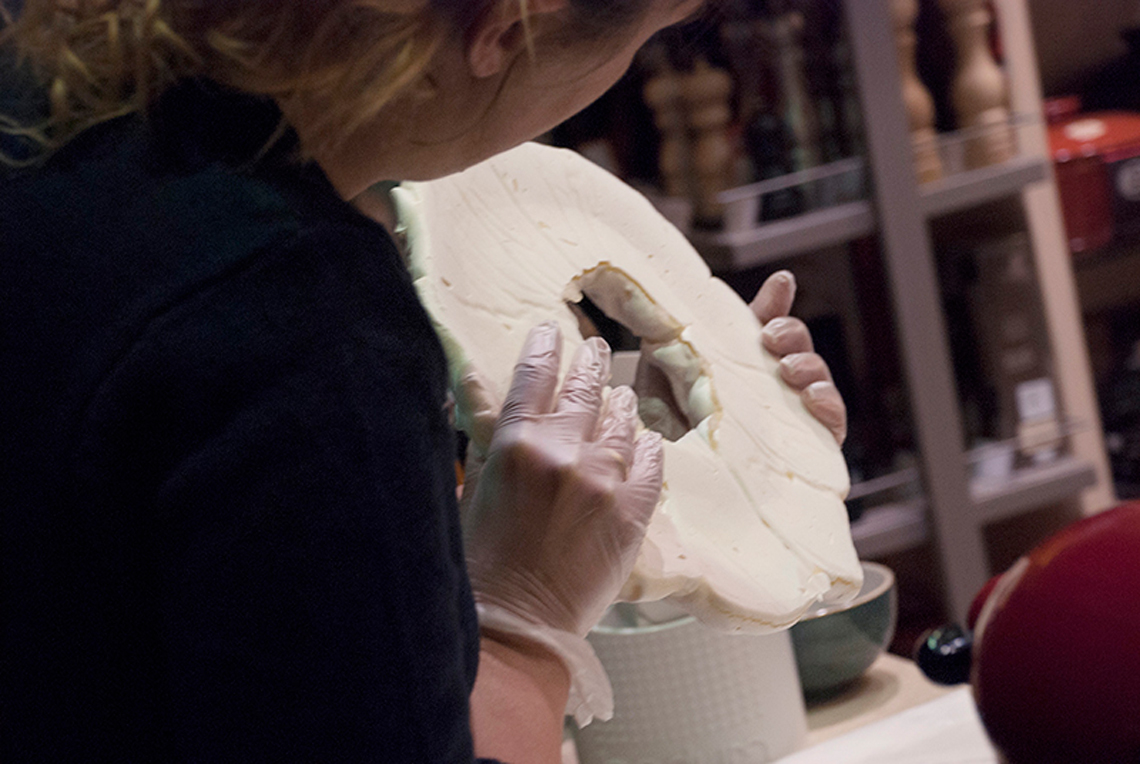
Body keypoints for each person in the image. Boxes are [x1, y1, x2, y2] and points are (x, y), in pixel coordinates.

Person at [0, 1, 847, 762]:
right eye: (649, 37)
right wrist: (527, 621)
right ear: (506, 30)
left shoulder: (45, 103)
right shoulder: (297, 320)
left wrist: (682, 479)